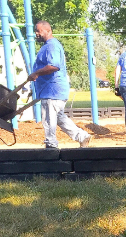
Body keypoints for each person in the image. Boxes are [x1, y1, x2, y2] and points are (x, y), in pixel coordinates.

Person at [27, 20, 92, 149]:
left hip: (52, 90)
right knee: (59, 117)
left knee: (49, 119)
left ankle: (51, 144)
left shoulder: (52, 46)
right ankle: (82, 136)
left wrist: (36, 73)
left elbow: (54, 66)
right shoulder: (48, 46)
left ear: (47, 30)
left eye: (38, 31)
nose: (36, 34)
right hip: (51, 90)